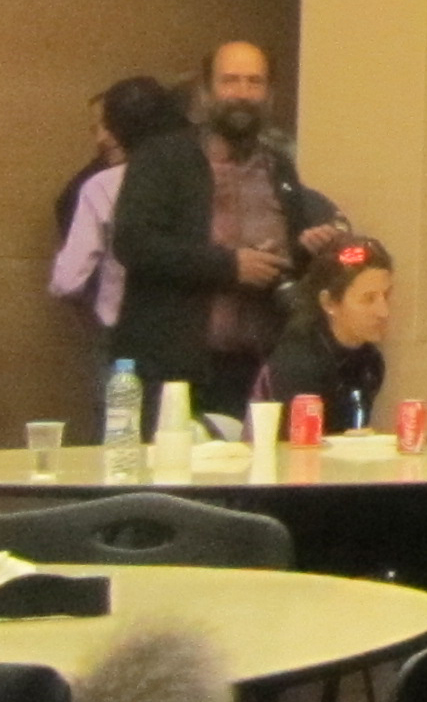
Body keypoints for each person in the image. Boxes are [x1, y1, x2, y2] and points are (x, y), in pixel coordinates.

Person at [110, 42, 348, 421]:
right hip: (172, 372)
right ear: (206, 92)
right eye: (230, 81)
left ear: (269, 94)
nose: (242, 93)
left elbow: (289, 259)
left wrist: (306, 248)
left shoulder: (279, 166)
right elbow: (134, 243)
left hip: (253, 370)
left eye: (254, 82)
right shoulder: (163, 158)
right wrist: (229, 265)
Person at [47, 76, 188, 343]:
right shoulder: (203, 177)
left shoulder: (100, 186)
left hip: (125, 337)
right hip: (190, 340)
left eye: (108, 126)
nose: (101, 138)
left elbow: (68, 281)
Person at [256, 239, 393, 434]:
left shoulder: (370, 362)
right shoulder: (298, 363)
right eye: (368, 299)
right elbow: (294, 445)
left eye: (386, 296)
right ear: (329, 303)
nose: (383, 311)